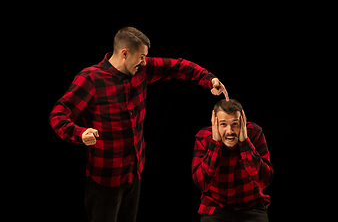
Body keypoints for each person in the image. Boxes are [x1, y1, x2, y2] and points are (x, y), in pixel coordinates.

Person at [49, 26, 228, 222]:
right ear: (125, 53)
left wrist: (209, 79)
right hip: (105, 178)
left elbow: (178, 66)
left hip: (134, 173)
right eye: (141, 56)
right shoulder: (91, 78)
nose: (144, 61)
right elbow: (59, 114)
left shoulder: (142, 70)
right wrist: (79, 133)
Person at [192, 99, 273, 222]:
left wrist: (245, 143)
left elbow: (264, 181)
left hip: (252, 208)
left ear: (242, 122)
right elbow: (202, 184)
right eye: (223, 124)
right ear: (215, 123)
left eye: (235, 124)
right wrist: (215, 144)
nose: (230, 131)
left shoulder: (255, 133)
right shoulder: (204, 137)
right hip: (215, 207)